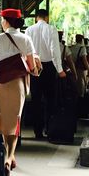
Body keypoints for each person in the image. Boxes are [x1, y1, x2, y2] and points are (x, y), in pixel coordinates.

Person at [0, 8, 38, 176]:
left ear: (6, 21)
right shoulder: (26, 39)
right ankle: (10, 156)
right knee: (14, 120)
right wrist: (36, 65)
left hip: (1, 83)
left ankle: (8, 155)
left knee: (3, 118)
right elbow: (31, 67)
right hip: (18, 85)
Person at [25, 9, 66, 139]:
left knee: (36, 99)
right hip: (48, 67)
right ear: (46, 17)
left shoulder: (29, 30)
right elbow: (55, 51)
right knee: (50, 99)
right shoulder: (51, 29)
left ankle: (37, 131)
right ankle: (49, 128)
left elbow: (26, 51)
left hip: (34, 67)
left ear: (37, 17)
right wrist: (60, 70)